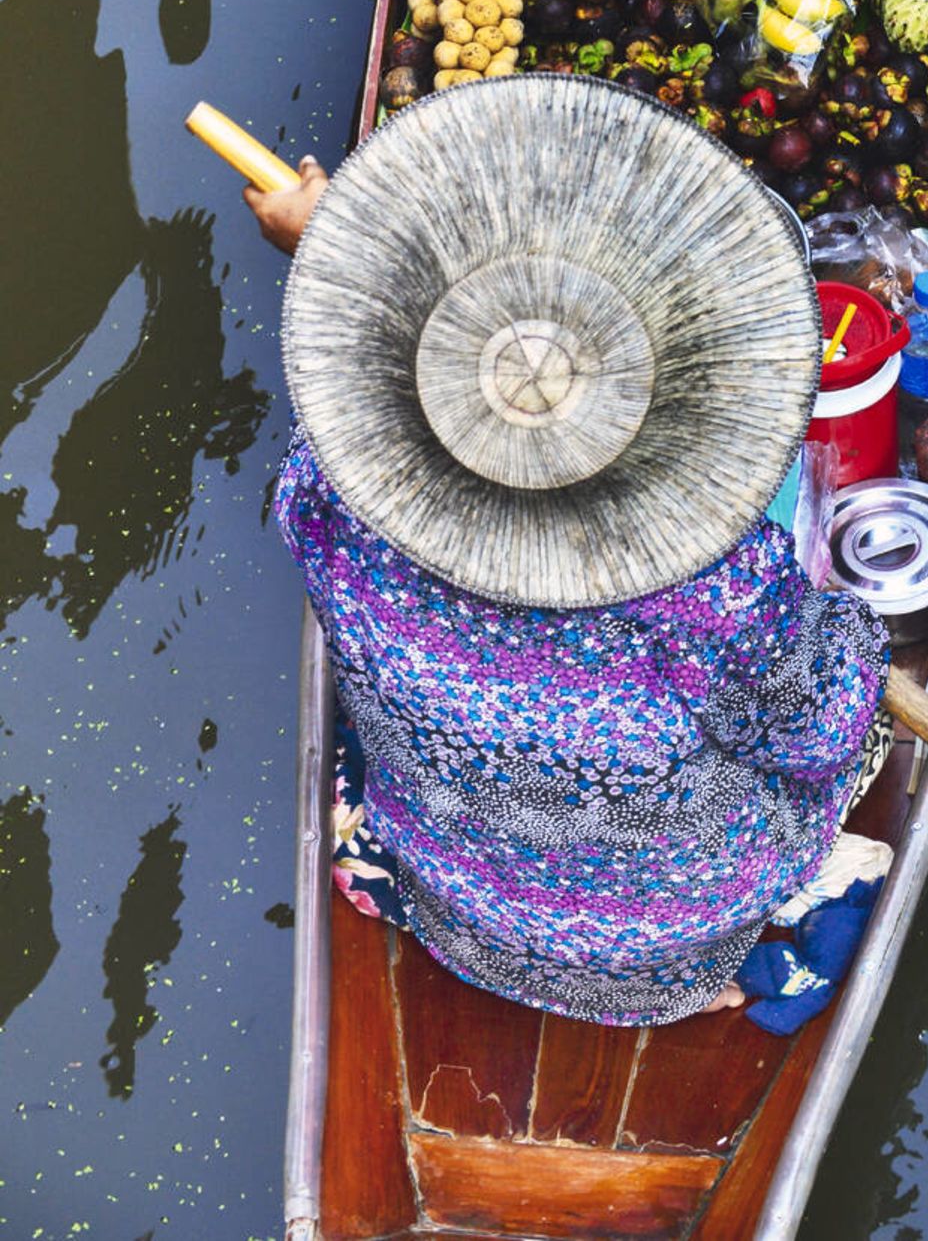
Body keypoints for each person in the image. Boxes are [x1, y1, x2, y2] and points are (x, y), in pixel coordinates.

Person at [248, 159, 888, 1028]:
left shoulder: (333, 483)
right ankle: (700, 973)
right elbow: (821, 732)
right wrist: (848, 633)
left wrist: (337, 252)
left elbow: (371, 376)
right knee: (854, 710)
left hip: (455, 890)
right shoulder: (710, 576)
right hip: (660, 938)